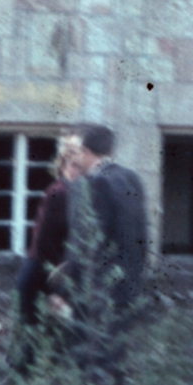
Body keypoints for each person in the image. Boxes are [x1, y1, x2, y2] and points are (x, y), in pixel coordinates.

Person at [69, 125, 148, 309]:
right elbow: (142, 234)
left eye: (78, 152)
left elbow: (89, 240)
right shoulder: (132, 178)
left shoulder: (96, 183)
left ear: (86, 152)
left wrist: (69, 288)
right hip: (131, 284)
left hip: (104, 289)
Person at [16, 132, 83, 325]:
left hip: (52, 276)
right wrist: (55, 289)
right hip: (40, 277)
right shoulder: (59, 193)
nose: (79, 169)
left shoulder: (75, 192)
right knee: (30, 343)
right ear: (65, 162)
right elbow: (45, 243)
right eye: (73, 162)